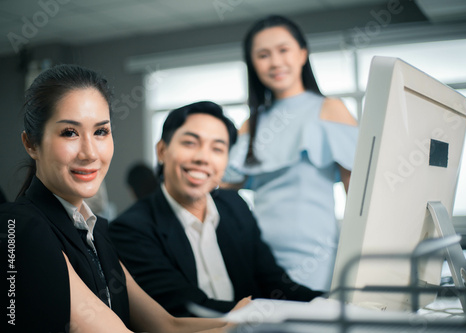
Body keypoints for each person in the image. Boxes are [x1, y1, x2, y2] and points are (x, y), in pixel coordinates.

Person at [0, 65, 247, 333]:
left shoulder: (97, 232)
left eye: (101, 132)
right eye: (69, 132)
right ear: (31, 144)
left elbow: (167, 325)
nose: (90, 152)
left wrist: (247, 317)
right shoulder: (20, 226)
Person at [109, 101, 322, 317]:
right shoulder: (130, 229)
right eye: (190, 143)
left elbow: (275, 284)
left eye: (217, 148)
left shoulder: (235, 206)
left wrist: (328, 302)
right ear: (162, 151)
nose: (203, 158)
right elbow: (186, 308)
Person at [223, 15, 359, 291]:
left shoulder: (331, 109)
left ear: (302, 53)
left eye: (283, 50)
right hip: (258, 256)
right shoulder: (251, 124)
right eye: (263, 55)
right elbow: (222, 190)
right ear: (253, 64)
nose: (275, 62)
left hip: (315, 258)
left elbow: (358, 194)